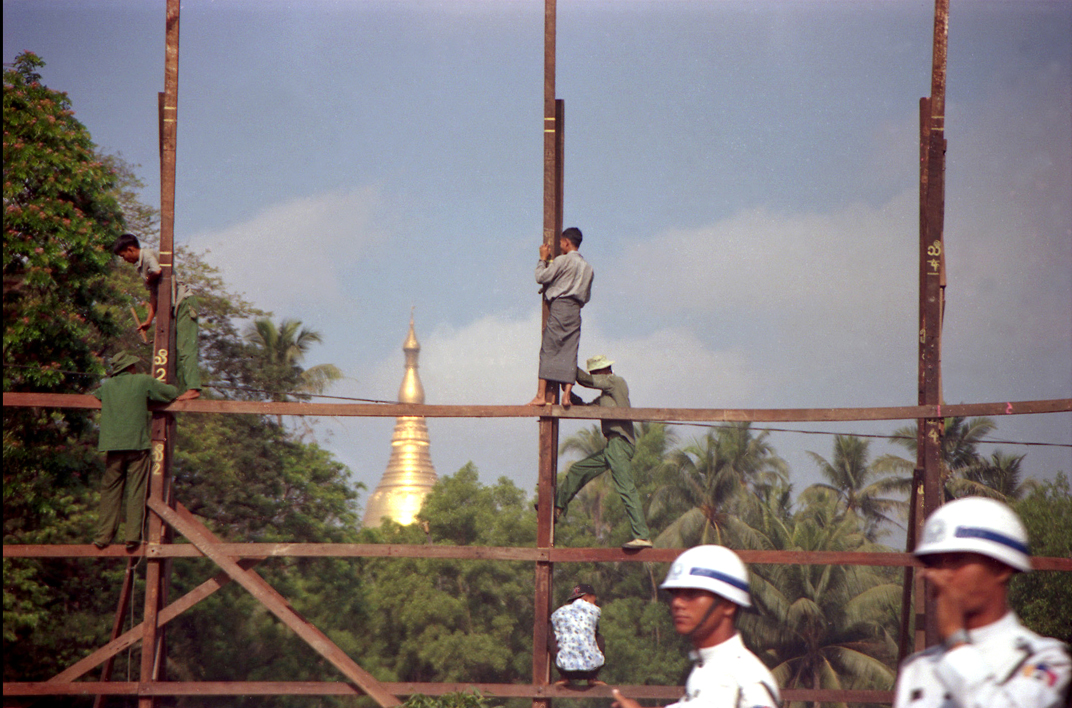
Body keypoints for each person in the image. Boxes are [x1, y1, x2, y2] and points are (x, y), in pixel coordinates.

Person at [893, 496, 1070, 708]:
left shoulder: (1046, 660)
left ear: (1001, 568)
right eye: (934, 563)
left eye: (957, 559)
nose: (941, 575)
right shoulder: (918, 669)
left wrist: (956, 640)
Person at [612, 545, 781, 708]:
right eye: (675, 593)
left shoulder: (747, 678)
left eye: (692, 593)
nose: (677, 602)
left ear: (728, 605)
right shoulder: (708, 667)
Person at [556, 355, 652, 550]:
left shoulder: (615, 382)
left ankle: (642, 536)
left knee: (626, 488)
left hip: (620, 442)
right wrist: (570, 396)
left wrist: (565, 363)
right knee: (578, 469)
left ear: (604, 371)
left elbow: (584, 380)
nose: (595, 377)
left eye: (596, 373)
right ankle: (557, 508)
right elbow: (585, 408)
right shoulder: (605, 398)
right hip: (612, 446)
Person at [91, 351, 179, 550]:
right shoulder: (142, 381)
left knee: (110, 491)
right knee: (136, 490)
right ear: (130, 368)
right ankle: (132, 536)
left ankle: (103, 536)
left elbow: (96, 396)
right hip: (137, 445)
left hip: (113, 446)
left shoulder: (107, 386)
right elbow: (170, 393)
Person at [112, 233, 201, 400]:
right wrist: (148, 320)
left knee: (186, 347)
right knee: (174, 349)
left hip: (184, 303)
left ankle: (193, 387)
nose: (124, 260)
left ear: (130, 249)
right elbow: (154, 295)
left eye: (124, 256)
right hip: (172, 307)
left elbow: (157, 271)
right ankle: (182, 390)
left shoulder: (147, 254)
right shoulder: (140, 267)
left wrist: (149, 278)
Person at [528, 227, 593, 408]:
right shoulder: (588, 268)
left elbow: (541, 277)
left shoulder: (562, 260)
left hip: (560, 307)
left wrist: (542, 259)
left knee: (549, 348)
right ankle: (566, 396)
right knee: (570, 351)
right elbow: (586, 296)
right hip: (575, 310)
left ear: (566, 242)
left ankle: (541, 395)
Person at [550, 583, 606, 687]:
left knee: (553, 638)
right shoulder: (595, 610)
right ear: (586, 597)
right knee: (599, 637)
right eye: (594, 599)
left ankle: (564, 677)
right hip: (590, 669)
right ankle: (592, 678)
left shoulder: (558, 612)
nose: (595, 602)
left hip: (565, 668)